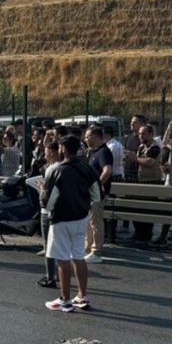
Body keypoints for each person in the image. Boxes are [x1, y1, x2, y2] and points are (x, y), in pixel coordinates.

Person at [42, 135, 101, 312]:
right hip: (81, 217)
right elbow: (97, 194)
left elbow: (47, 201)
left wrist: (41, 191)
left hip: (61, 219)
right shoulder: (87, 168)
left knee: (62, 259)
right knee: (78, 256)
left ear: (63, 149)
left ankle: (65, 299)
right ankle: (82, 296)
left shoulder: (56, 170)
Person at [82, 126, 113, 264]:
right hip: (91, 193)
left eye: (87, 136)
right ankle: (88, 248)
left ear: (95, 136)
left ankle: (96, 250)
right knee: (89, 221)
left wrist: (97, 186)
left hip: (97, 194)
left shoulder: (104, 152)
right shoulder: (94, 152)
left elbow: (107, 170)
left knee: (96, 221)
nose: (85, 139)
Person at [129, 124, 162, 243]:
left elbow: (150, 162)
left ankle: (146, 234)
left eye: (143, 134)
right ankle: (138, 232)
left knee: (148, 209)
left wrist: (135, 158)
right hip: (141, 181)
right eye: (139, 134)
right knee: (138, 208)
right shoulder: (141, 147)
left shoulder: (155, 147)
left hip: (152, 181)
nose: (141, 136)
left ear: (151, 134)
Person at [36, 141, 62, 287]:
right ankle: (60, 274)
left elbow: (47, 193)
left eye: (46, 152)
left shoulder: (51, 169)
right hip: (60, 210)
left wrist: (41, 188)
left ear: (52, 152)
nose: (44, 155)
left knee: (48, 245)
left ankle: (50, 276)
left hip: (47, 210)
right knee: (60, 245)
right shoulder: (64, 166)